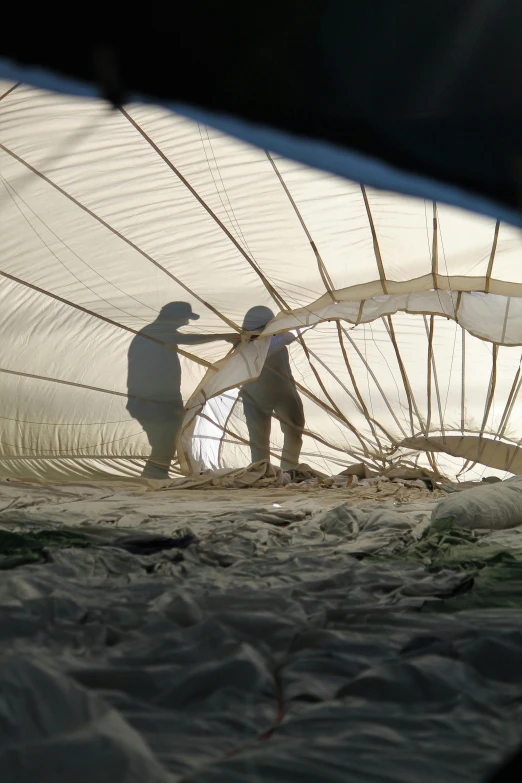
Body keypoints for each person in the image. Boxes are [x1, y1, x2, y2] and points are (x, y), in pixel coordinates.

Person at [127, 301, 238, 478]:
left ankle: (156, 477)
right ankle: (154, 477)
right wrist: (223, 336)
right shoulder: (154, 333)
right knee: (165, 441)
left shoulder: (156, 333)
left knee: (167, 441)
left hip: (156, 399)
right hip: (153, 401)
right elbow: (189, 339)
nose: (186, 323)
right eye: (185, 319)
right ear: (173, 317)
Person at [239, 305, 305, 470]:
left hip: (271, 395)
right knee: (267, 438)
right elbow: (289, 336)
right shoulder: (267, 342)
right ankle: (274, 472)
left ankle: (278, 472)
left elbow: (288, 336)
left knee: (283, 435)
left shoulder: (253, 343)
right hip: (266, 395)